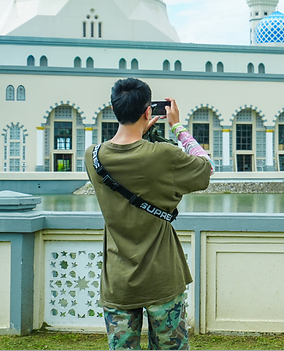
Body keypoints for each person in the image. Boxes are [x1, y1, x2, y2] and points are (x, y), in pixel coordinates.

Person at [87, 78, 214, 350]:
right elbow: (206, 169)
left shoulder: (93, 157)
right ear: (148, 112)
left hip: (118, 281)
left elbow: (129, 157)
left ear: (114, 109)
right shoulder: (163, 155)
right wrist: (178, 127)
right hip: (163, 277)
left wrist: (142, 133)